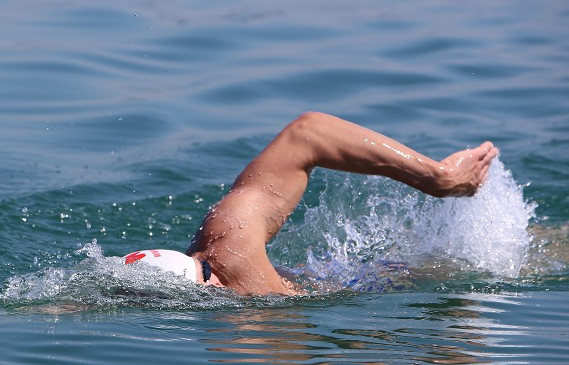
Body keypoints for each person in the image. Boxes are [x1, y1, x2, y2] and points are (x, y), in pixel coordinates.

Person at [123, 112, 498, 295]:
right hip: (346, 278)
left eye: (210, 272)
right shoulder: (220, 247)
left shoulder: (229, 251)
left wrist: (437, 177)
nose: (215, 271)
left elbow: (308, 133)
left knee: (457, 265)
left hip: (388, 279)